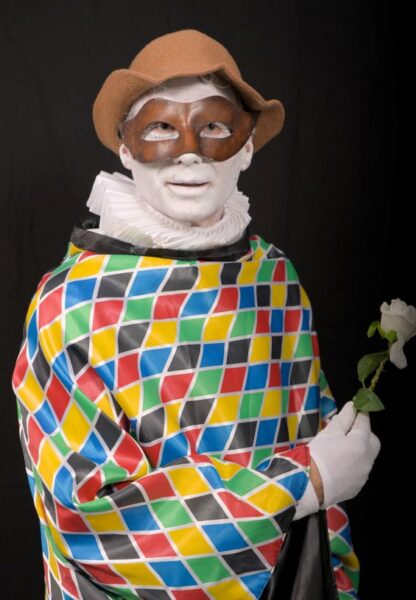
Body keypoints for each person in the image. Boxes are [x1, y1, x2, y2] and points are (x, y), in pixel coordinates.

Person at [11, 29, 380, 600]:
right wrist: (303, 485)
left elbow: (316, 439)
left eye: (214, 126)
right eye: (161, 127)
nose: (189, 150)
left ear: (247, 146)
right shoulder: (72, 306)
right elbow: (92, 521)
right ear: (126, 150)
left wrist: (335, 578)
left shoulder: (275, 279)